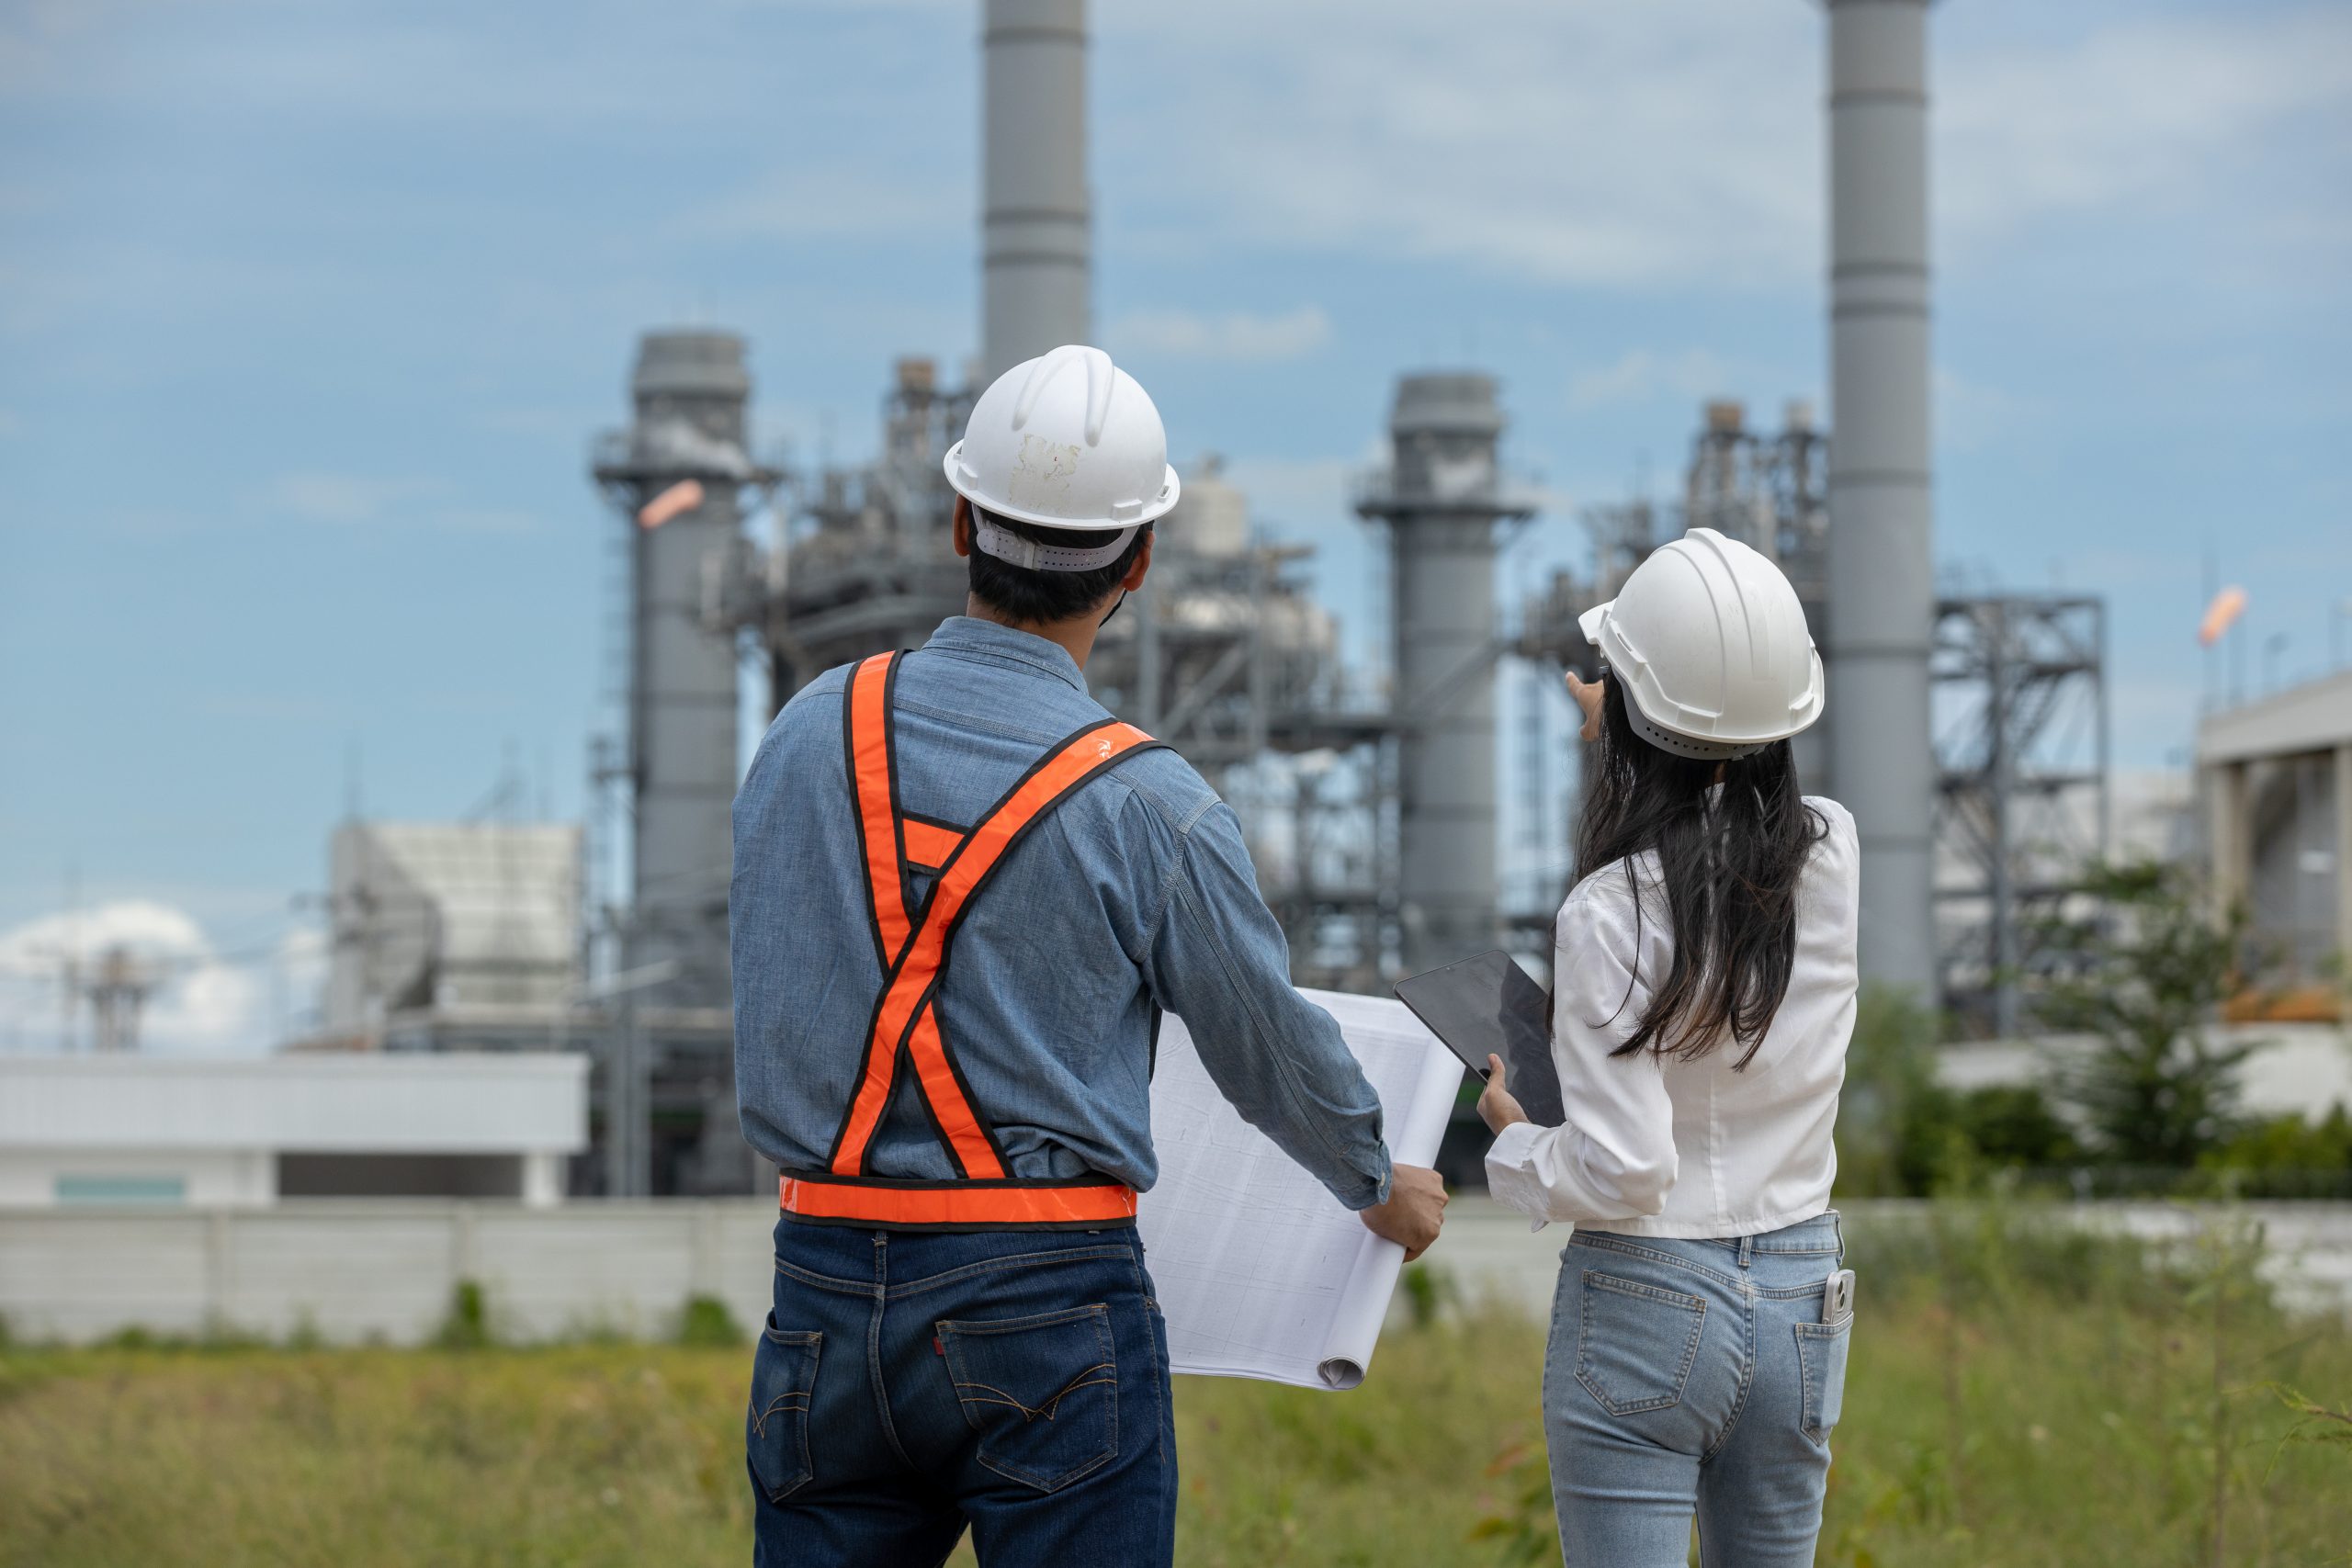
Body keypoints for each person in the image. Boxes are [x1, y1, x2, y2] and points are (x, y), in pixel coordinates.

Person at [729, 344, 1448, 1568]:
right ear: (1143, 559)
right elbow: (1263, 1045)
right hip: (1044, 1299)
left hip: (826, 1285)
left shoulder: (808, 730)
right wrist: (1379, 1177)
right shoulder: (1152, 806)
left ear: (962, 518)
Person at [1475, 527, 1860, 1567]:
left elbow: (1628, 1167)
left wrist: (1513, 1146)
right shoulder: (1830, 855)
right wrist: (1649, 723)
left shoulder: (1607, 911)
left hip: (1647, 1295)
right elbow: (1722, 787)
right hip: (1798, 1296)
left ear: (1628, 712)